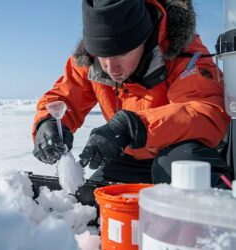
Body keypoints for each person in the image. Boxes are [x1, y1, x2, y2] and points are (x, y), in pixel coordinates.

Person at [32, 0, 233, 187]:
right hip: (131, 158)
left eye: (121, 53)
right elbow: (65, 95)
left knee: (180, 168)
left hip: (184, 157)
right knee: (90, 201)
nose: (111, 68)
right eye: (103, 55)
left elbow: (207, 111)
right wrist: (47, 122)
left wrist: (134, 127)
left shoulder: (183, 51)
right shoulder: (89, 58)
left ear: (144, 38)